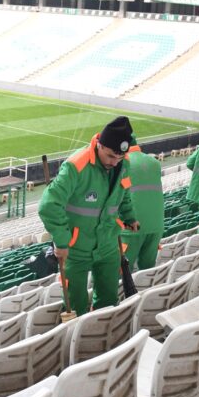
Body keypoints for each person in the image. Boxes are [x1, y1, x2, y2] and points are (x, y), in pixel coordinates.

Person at [39, 116, 140, 315]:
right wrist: (61, 241)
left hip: (108, 244)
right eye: (110, 156)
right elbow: (48, 205)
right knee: (75, 305)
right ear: (100, 144)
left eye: (119, 157)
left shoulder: (123, 164)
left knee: (108, 302)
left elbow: (124, 194)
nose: (115, 162)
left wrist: (129, 217)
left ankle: (101, 329)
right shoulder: (76, 166)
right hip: (76, 249)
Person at [120, 134, 164, 271]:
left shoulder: (121, 163)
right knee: (148, 272)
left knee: (121, 273)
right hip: (156, 226)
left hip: (131, 228)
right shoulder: (155, 163)